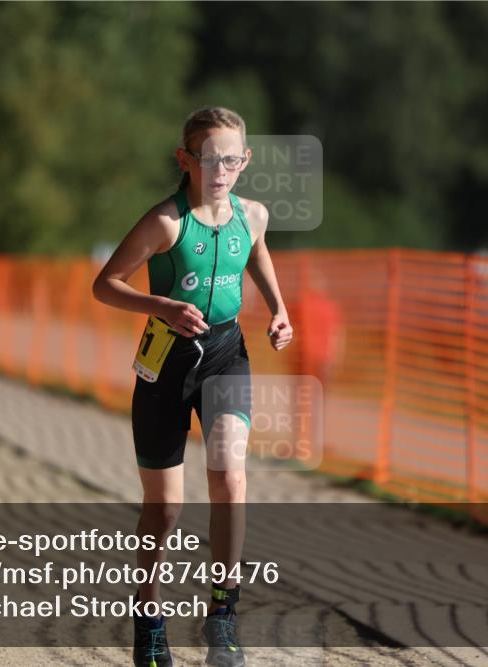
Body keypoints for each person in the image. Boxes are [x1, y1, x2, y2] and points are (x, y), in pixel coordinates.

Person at [93, 106, 293, 667]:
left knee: (230, 477)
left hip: (227, 354)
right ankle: (149, 615)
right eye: (209, 158)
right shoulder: (165, 222)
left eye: (231, 158)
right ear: (185, 160)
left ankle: (223, 618)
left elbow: (256, 252)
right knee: (166, 508)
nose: (220, 169)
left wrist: (279, 309)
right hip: (167, 364)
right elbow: (105, 284)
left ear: (245, 161)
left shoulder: (253, 214)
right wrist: (161, 306)